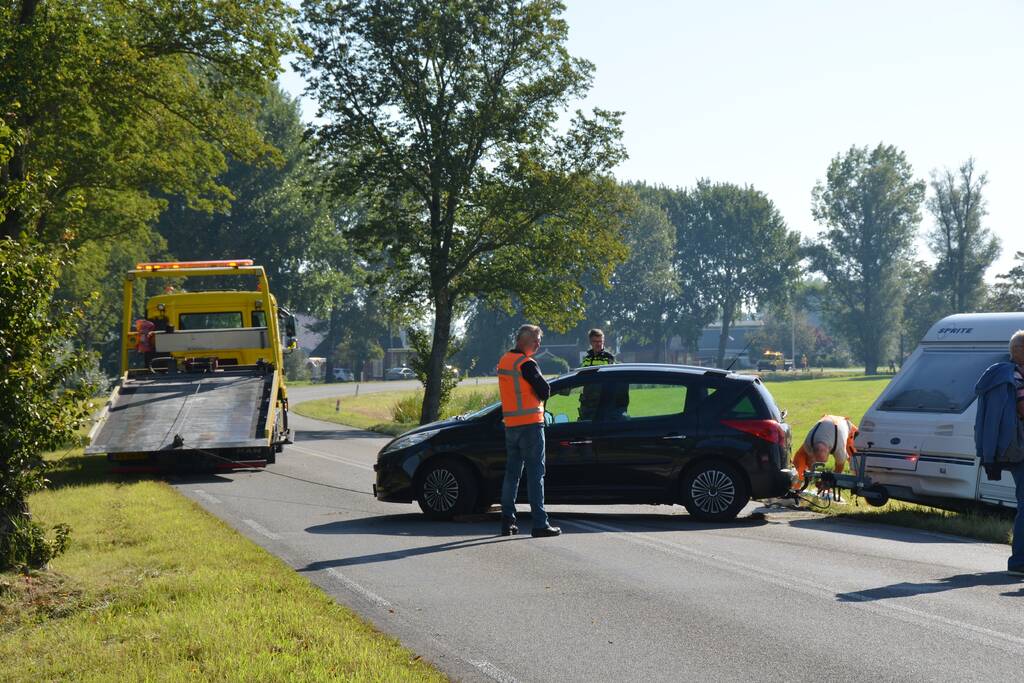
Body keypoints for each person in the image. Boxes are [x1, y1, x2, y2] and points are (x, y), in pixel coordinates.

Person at [497, 325, 561, 538]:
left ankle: (507, 521)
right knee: (536, 474)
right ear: (529, 342)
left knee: (512, 474)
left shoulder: (505, 360)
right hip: (531, 425)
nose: (539, 344)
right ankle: (540, 524)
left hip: (511, 425)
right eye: (537, 341)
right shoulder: (526, 364)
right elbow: (544, 390)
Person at [975, 330, 1024, 575]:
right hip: (1018, 448)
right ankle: (1018, 563)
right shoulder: (1014, 377)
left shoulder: (1005, 375)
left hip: (1011, 447)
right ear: (1019, 351)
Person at [791, 414, 859, 492]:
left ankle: (861, 486)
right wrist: (810, 475)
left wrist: (829, 483)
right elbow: (809, 461)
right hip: (826, 424)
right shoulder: (809, 442)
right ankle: (794, 488)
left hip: (845, 426)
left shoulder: (839, 447)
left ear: (829, 450)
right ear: (813, 450)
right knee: (799, 458)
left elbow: (839, 467)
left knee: (857, 461)